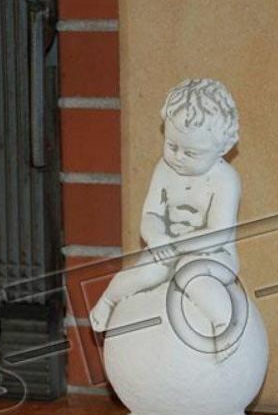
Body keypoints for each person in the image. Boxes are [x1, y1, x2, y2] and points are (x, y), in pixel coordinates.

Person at [89, 79, 241, 337]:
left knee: (190, 275)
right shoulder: (164, 168)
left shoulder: (226, 180)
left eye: (191, 153)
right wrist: (157, 238)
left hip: (213, 254)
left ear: (223, 148)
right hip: (166, 247)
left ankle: (224, 326)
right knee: (143, 273)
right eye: (172, 146)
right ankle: (108, 300)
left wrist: (178, 247)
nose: (178, 157)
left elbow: (219, 233)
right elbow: (151, 215)